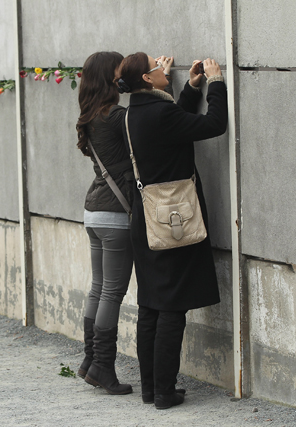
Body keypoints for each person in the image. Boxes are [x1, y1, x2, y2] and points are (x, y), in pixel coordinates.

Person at [114, 53, 228, 409]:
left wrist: (192, 87)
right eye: (156, 67)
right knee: (172, 307)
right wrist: (217, 83)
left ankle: (151, 389)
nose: (164, 69)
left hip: (146, 220)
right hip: (173, 222)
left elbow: (172, 124)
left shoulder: (132, 113)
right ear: (148, 79)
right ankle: (165, 392)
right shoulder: (159, 113)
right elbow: (213, 125)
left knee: (150, 304)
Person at [75, 51, 135, 395]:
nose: (123, 75)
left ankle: (89, 361)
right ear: (109, 78)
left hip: (94, 212)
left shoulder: (92, 114)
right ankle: (102, 367)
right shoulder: (117, 116)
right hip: (115, 215)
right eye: (120, 71)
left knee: (98, 288)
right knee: (112, 291)